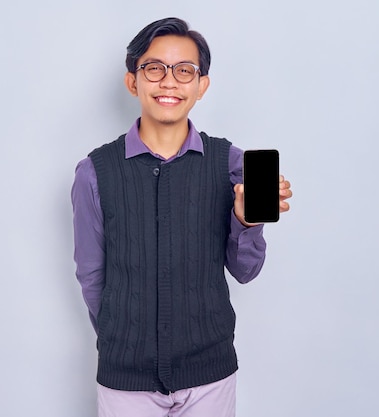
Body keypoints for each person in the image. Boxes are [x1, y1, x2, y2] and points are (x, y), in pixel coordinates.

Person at [71, 17, 292, 417]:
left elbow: (245, 271)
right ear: (132, 81)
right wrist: (122, 339)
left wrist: (246, 222)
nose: (169, 82)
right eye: (153, 68)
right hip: (125, 379)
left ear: (201, 86)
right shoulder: (94, 172)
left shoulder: (231, 165)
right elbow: (91, 275)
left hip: (210, 375)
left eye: (184, 70)